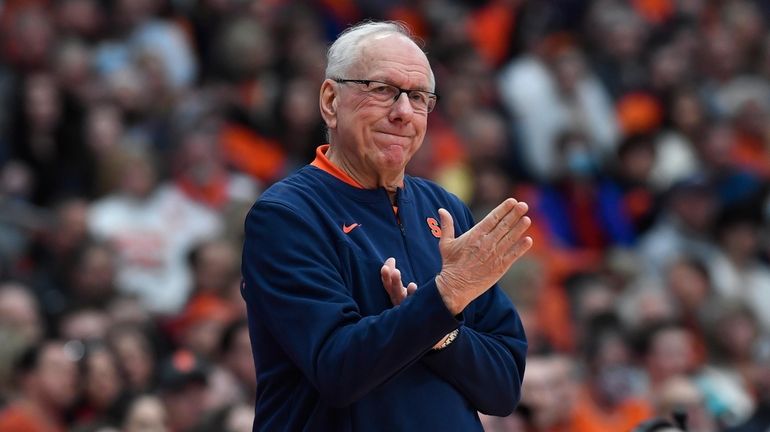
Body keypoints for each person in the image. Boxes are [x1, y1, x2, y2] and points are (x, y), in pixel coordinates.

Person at [241, 21, 532, 431]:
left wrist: (439, 331)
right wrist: (444, 297)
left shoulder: (445, 209)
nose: (402, 112)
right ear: (330, 101)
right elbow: (338, 369)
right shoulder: (286, 215)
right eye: (382, 90)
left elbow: (503, 387)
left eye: (418, 97)